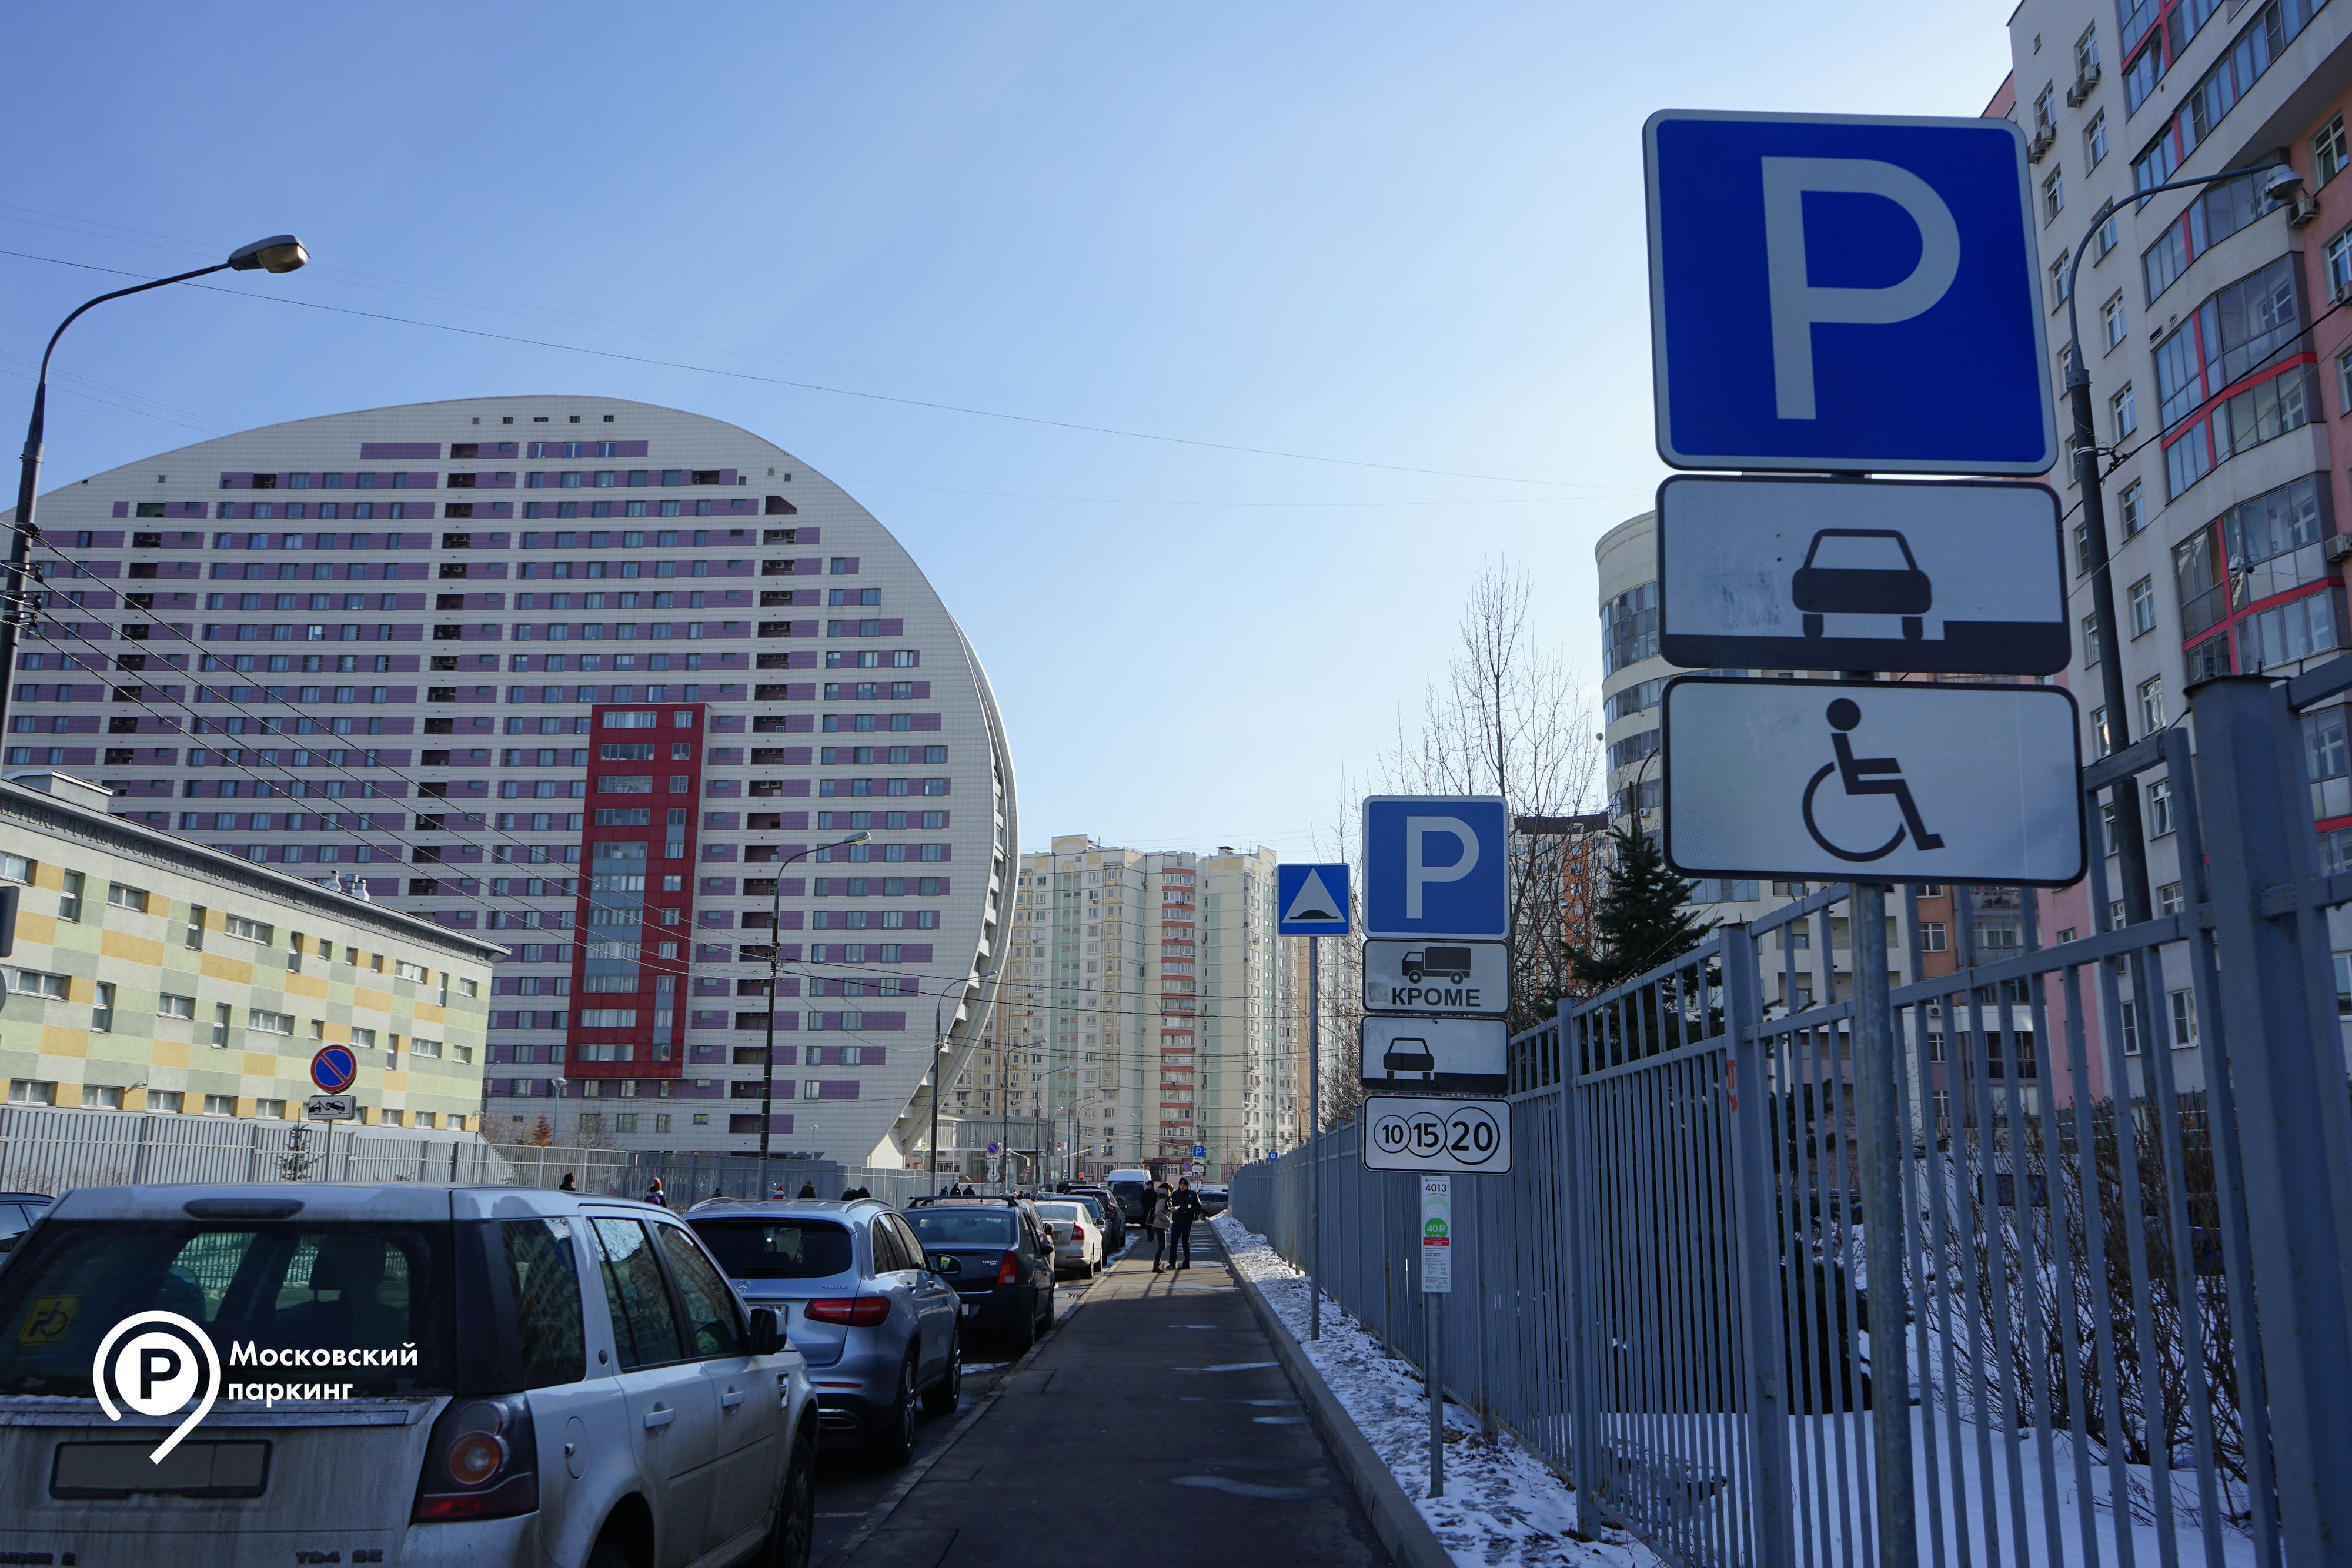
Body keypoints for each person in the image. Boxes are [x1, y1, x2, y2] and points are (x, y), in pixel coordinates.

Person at [1167, 1177, 1202, 1271]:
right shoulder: (1175, 1194)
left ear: (1187, 1186)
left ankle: (1186, 1263)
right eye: (1181, 1185)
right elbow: (1171, 1206)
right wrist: (1173, 1208)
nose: (1182, 1187)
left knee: (1185, 1242)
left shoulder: (1192, 1194)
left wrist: (1190, 1211)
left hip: (1187, 1221)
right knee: (1173, 1242)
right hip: (1177, 1221)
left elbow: (1198, 1207)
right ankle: (1172, 1263)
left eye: (1184, 1185)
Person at [1140, 1179, 1168, 1273]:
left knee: (1162, 1245)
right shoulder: (1161, 1198)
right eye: (1149, 1185)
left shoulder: (1156, 1194)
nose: (1151, 1186)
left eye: (1152, 1185)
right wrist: (1167, 1219)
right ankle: (1156, 1266)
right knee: (1162, 1246)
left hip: (1155, 1218)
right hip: (1155, 1219)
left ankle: (1156, 1266)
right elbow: (1159, 1211)